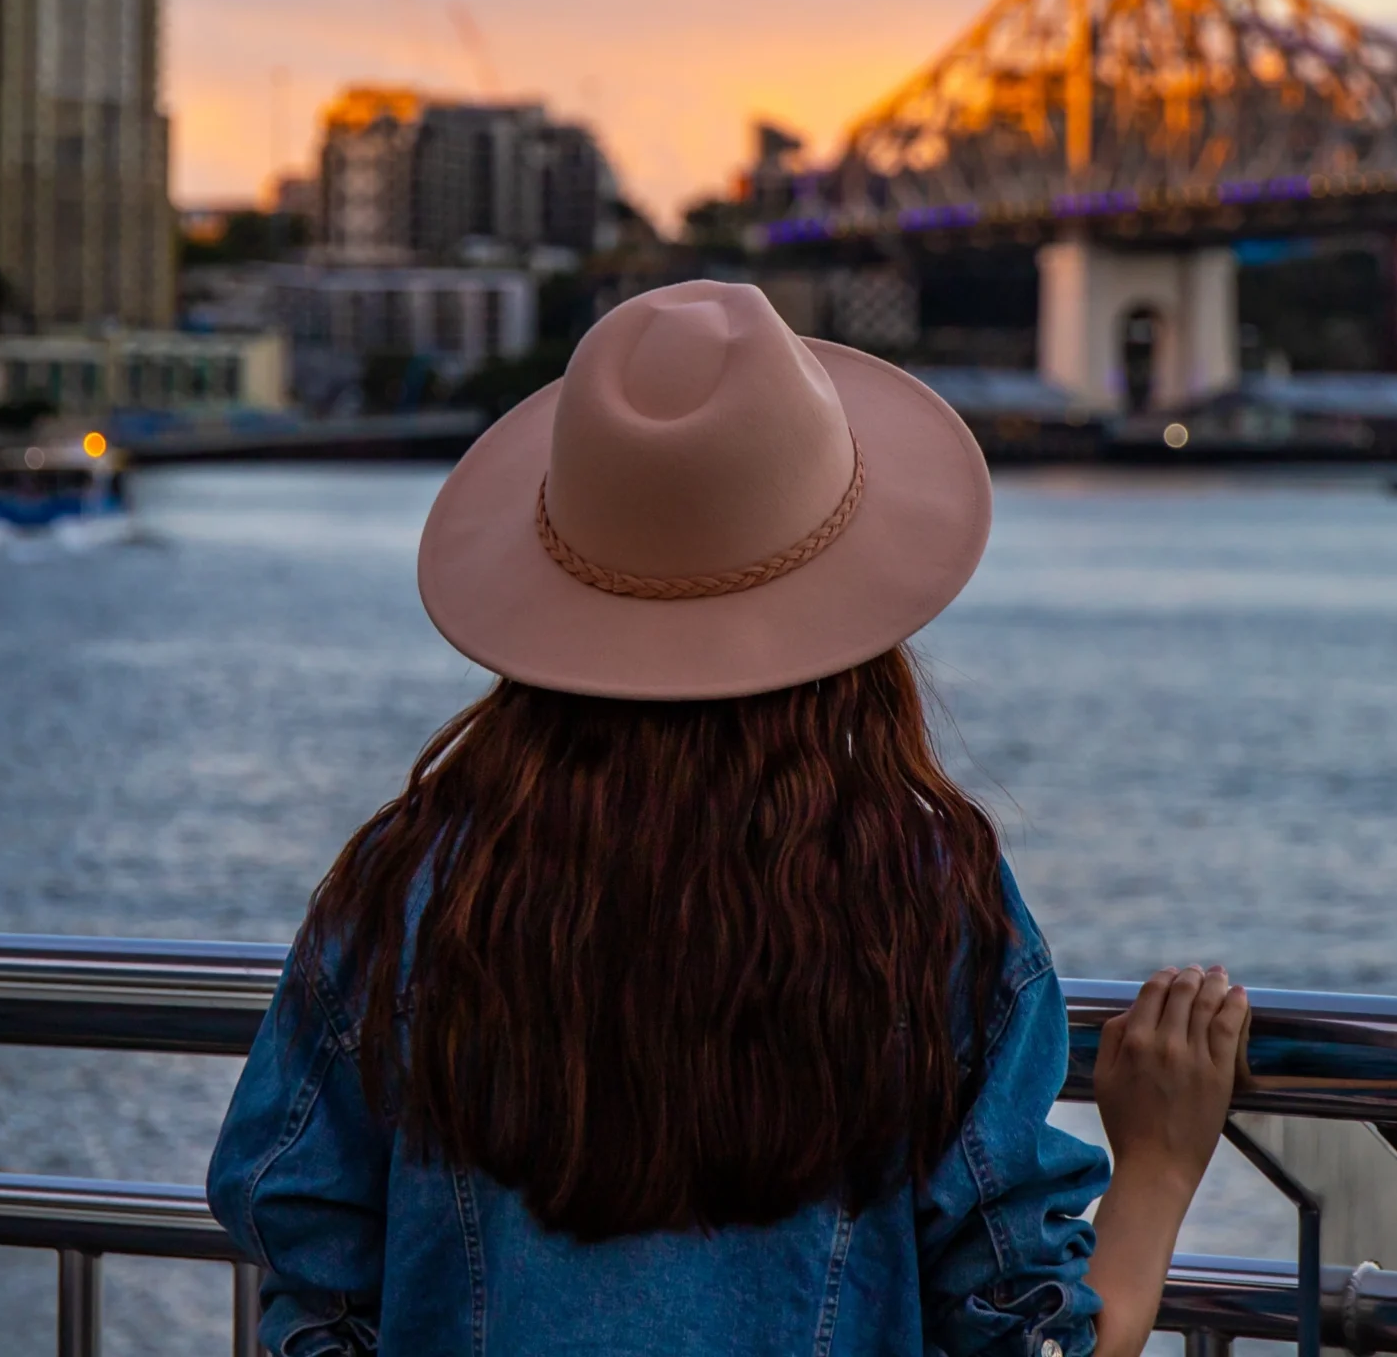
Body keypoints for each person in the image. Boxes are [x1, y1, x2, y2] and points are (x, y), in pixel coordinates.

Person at [209, 281, 1249, 1357]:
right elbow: (1029, 1338)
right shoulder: (923, 904)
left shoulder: (411, 888)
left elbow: (315, 1284)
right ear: (853, 618)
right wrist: (1163, 1162)